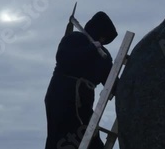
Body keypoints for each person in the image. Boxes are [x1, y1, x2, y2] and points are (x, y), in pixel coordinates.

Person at [44, 11, 118, 149]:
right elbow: (63, 58)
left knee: (90, 138)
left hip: (84, 102)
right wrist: (90, 48)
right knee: (59, 139)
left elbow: (110, 80)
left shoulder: (104, 56)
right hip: (61, 97)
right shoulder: (74, 38)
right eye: (101, 37)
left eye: (105, 39)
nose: (102, 41)